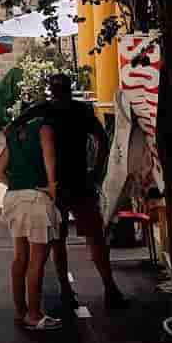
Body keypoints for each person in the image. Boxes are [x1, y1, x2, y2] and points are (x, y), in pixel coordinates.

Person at [31, 72, 128, 310]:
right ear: (69, 88)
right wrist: (97, 170)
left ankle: (66, 291)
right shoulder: (82, 111)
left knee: (58, 240)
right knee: (95, 237)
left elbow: (14, 128)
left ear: (51, 90)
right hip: (81, 180)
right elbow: (103, 140)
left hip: (55, 184)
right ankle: (110, 288)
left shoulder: (45, 110)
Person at [0, 108, 62, 332]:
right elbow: (49, 156)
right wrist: (52, 186)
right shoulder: (44, 129)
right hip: (37, 199)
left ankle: (21, 311)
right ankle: (34, 314)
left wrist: (16, 184)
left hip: (13, 198)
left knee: (20, 257)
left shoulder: (14, 136)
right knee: (37, 259)